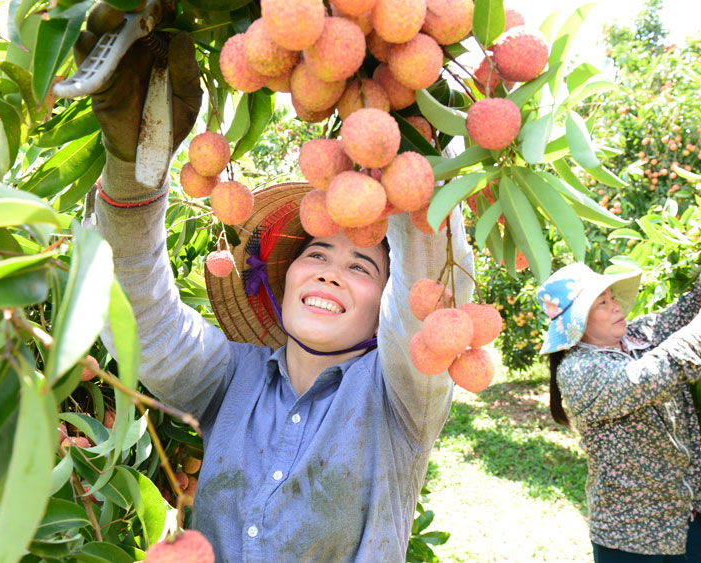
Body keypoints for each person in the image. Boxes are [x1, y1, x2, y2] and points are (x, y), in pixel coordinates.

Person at [77, 4, 474, 561]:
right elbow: (137, 306)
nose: (333, 271)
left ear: (384, 306)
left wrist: (408, 114)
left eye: (362, 266)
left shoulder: (400, 400)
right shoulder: (226, 377)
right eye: (317, 254)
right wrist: (134, 166)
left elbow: (427, 295)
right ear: (284, 283)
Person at [535, 259, 701, 562]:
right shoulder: (578, 371)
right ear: (579, 321)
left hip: (681, 518)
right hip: (630, 535)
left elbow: (683, 311)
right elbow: (654, 374)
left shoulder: (636, 337)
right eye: (602, 303)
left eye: (613, 297)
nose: (616, 307)